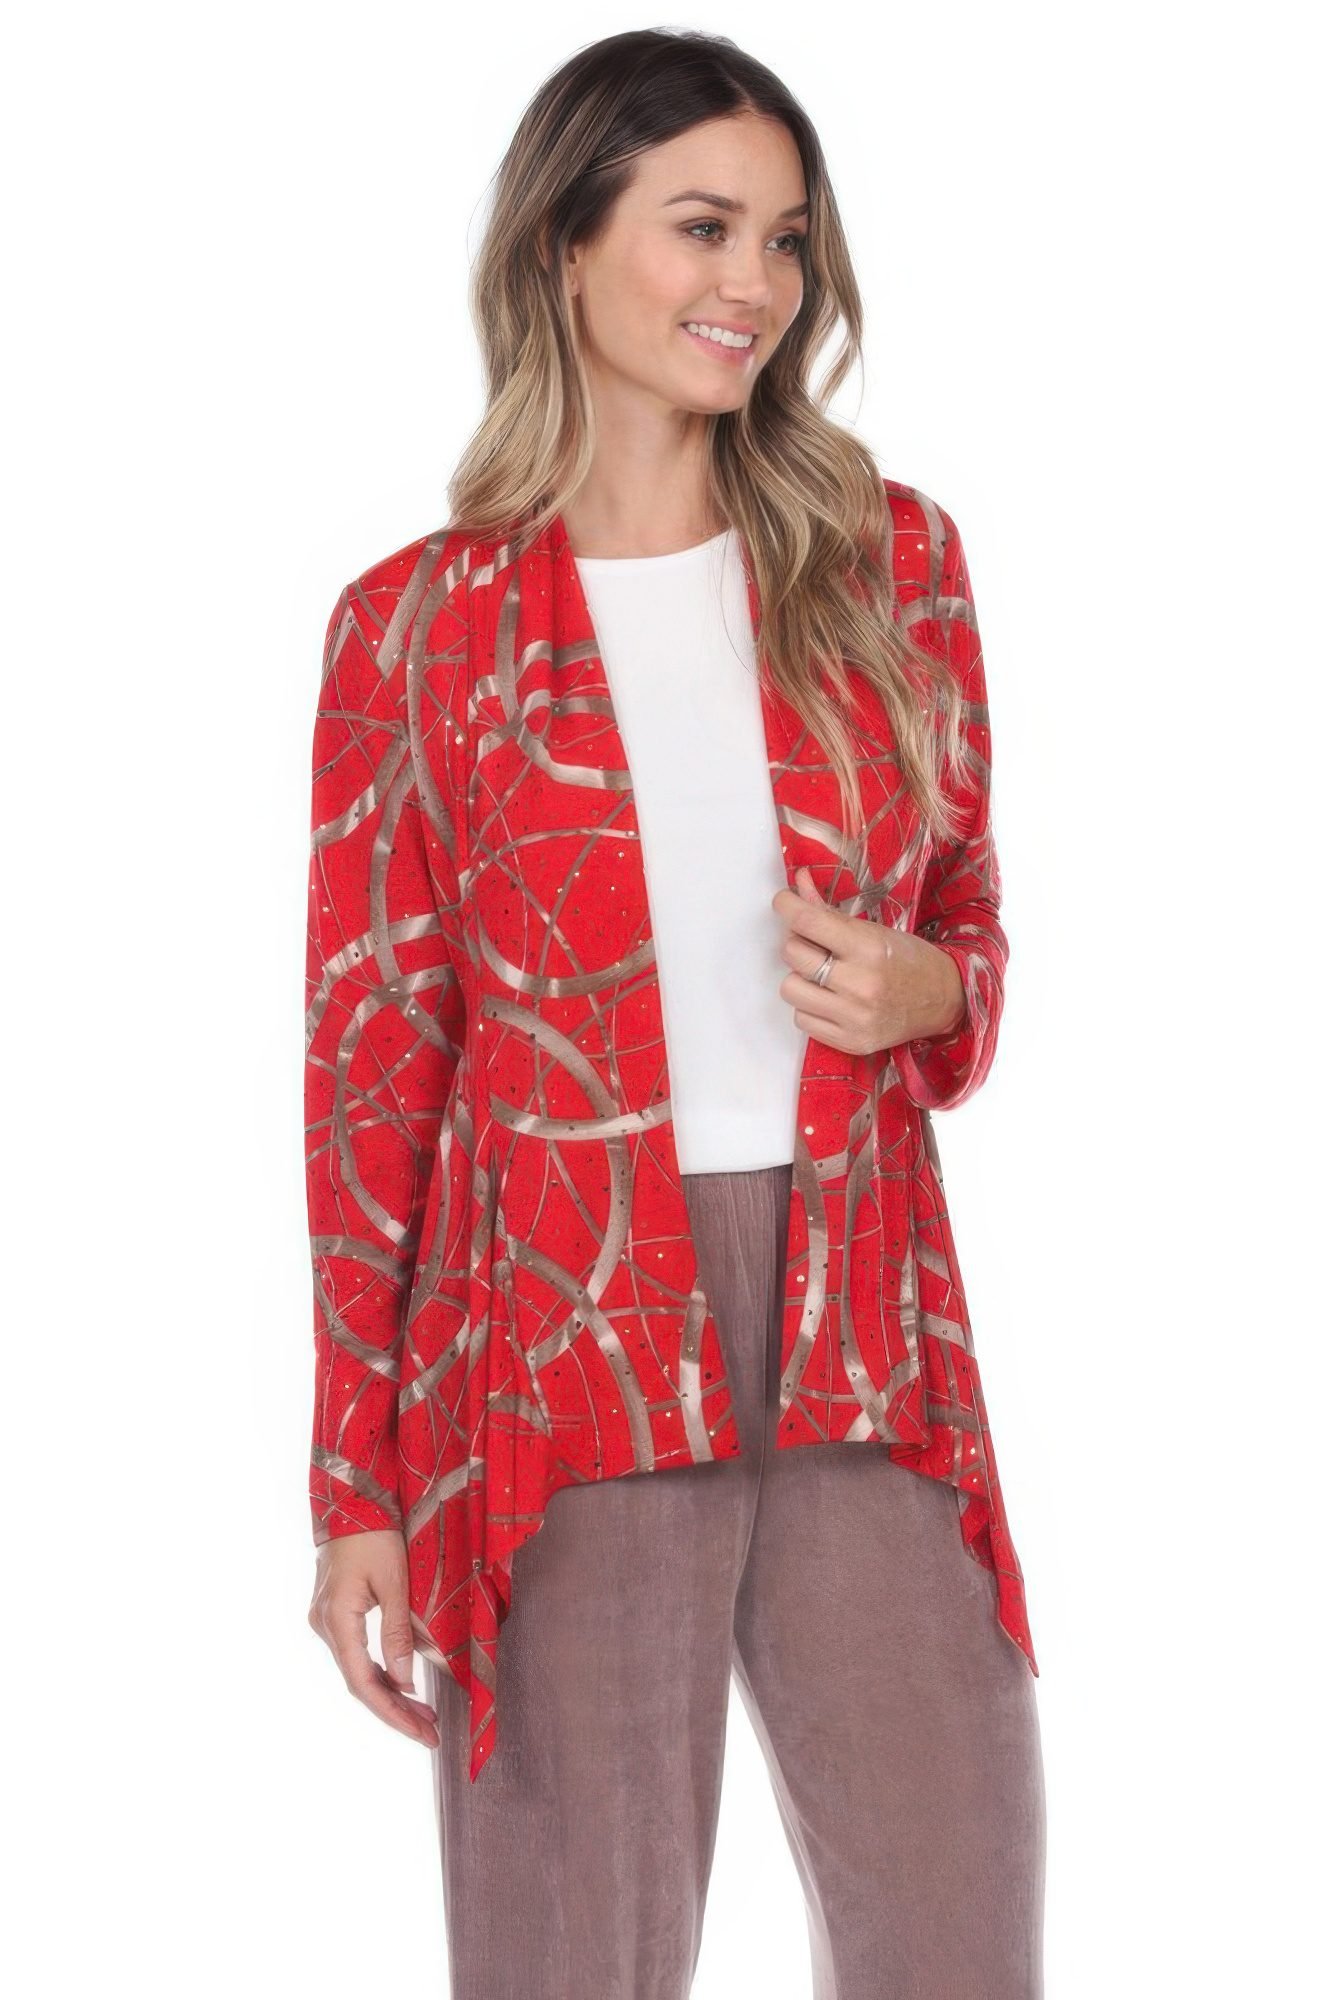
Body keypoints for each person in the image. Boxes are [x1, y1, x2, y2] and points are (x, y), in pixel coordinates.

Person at [303, 27, 1046, 2000]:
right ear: (566, 247)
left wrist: (929, 992)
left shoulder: (893, 564)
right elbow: (374, 1068)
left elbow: (967, 931)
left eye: (786, 240)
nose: (756, 284)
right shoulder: (419, 629)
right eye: (702, 227)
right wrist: (358, 1488)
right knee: (573, 1956)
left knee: (956, 1925)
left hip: (863, 1319)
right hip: (553, 1334)